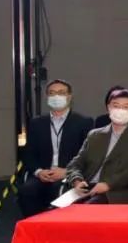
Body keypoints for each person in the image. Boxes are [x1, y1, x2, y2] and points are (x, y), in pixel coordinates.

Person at [18, 79, 94, 218]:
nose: (56, 96)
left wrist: (67, 172)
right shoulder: (36, 123)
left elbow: (89, 156)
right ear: (47, 97)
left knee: (58, 191)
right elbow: (28, 154)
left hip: (69, 175)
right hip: (44, 174)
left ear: (69, 97)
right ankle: (35, 226)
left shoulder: (84, 122)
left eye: (61, 93)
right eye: (52, 93)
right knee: (26, 191)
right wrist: (39, 172)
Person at [66, 89, 128, 204]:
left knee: (86, 209)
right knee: (54, 211)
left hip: (115, 191)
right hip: (85, 188)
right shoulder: (94, 135)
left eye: (126, 107)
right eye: (116, 106)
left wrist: (108, 184)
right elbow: (75, 164)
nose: (120, 110)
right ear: (108, 108)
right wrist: (77, 181)